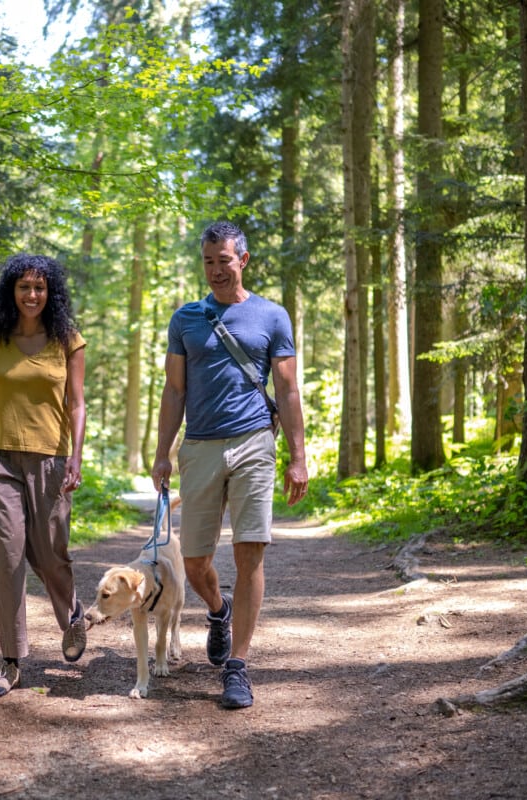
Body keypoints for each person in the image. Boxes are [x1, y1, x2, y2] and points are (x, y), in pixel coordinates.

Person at [150, 221, 308, 709]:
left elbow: (286, 389)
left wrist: (299, 456)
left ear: (243, 260)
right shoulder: (186, 319)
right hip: (198, 446)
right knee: (194, 562)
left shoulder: (272, 316)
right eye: (208, 262)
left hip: (254, 442)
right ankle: (218, 610)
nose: (216, 270)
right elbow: (175, 389)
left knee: (249, 552)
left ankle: (238, 667)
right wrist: (161, 452)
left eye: (224, 260)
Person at [0, 253, 89, 698]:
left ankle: (74, 614)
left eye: (40, 288)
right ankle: (10, 660)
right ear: (11, 290)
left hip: (50, 459)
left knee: (48, 557)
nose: (31, 294)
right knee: (6, 559)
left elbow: (76, 404)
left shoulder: (68, 340)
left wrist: (76, 457)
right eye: (24, 287)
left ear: (51, 293)